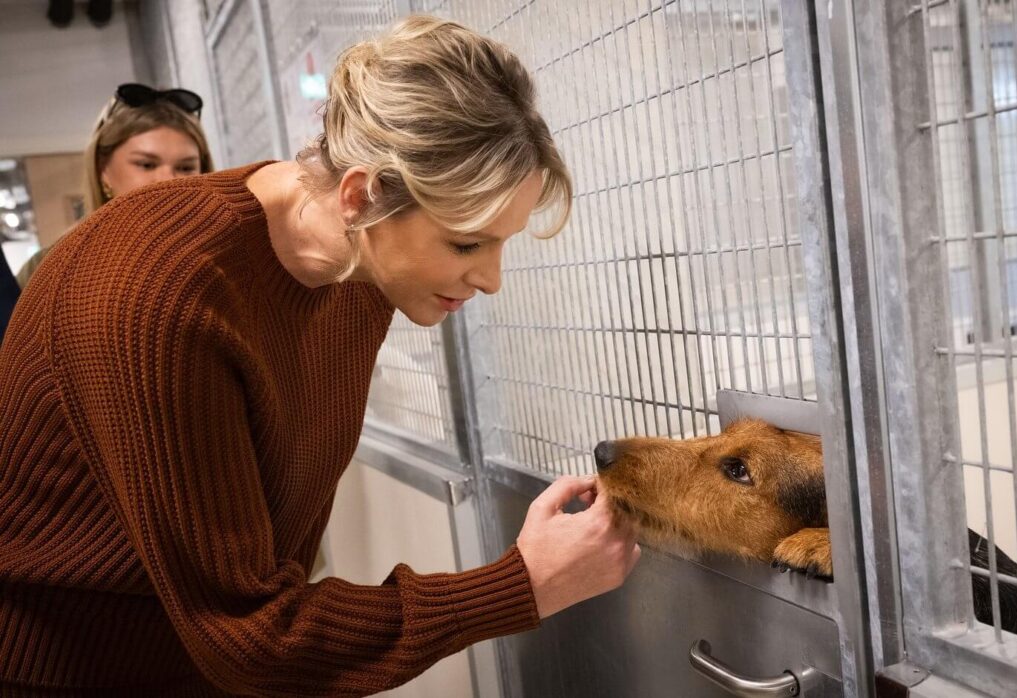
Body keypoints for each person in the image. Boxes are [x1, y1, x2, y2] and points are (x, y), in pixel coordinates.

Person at [0, 16, 640, 696]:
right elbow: (248, 635)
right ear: (361, 195)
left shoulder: (359, 268)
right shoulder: (156, 295)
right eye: (465, 243)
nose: (491, 279)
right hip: (71, 674)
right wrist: (521, 587)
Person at [15, 82, 214, 288]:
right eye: (146, 164)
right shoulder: (47, 270)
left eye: (185, 167)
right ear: (103, 170)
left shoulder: (231, 258)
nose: (169, 181)